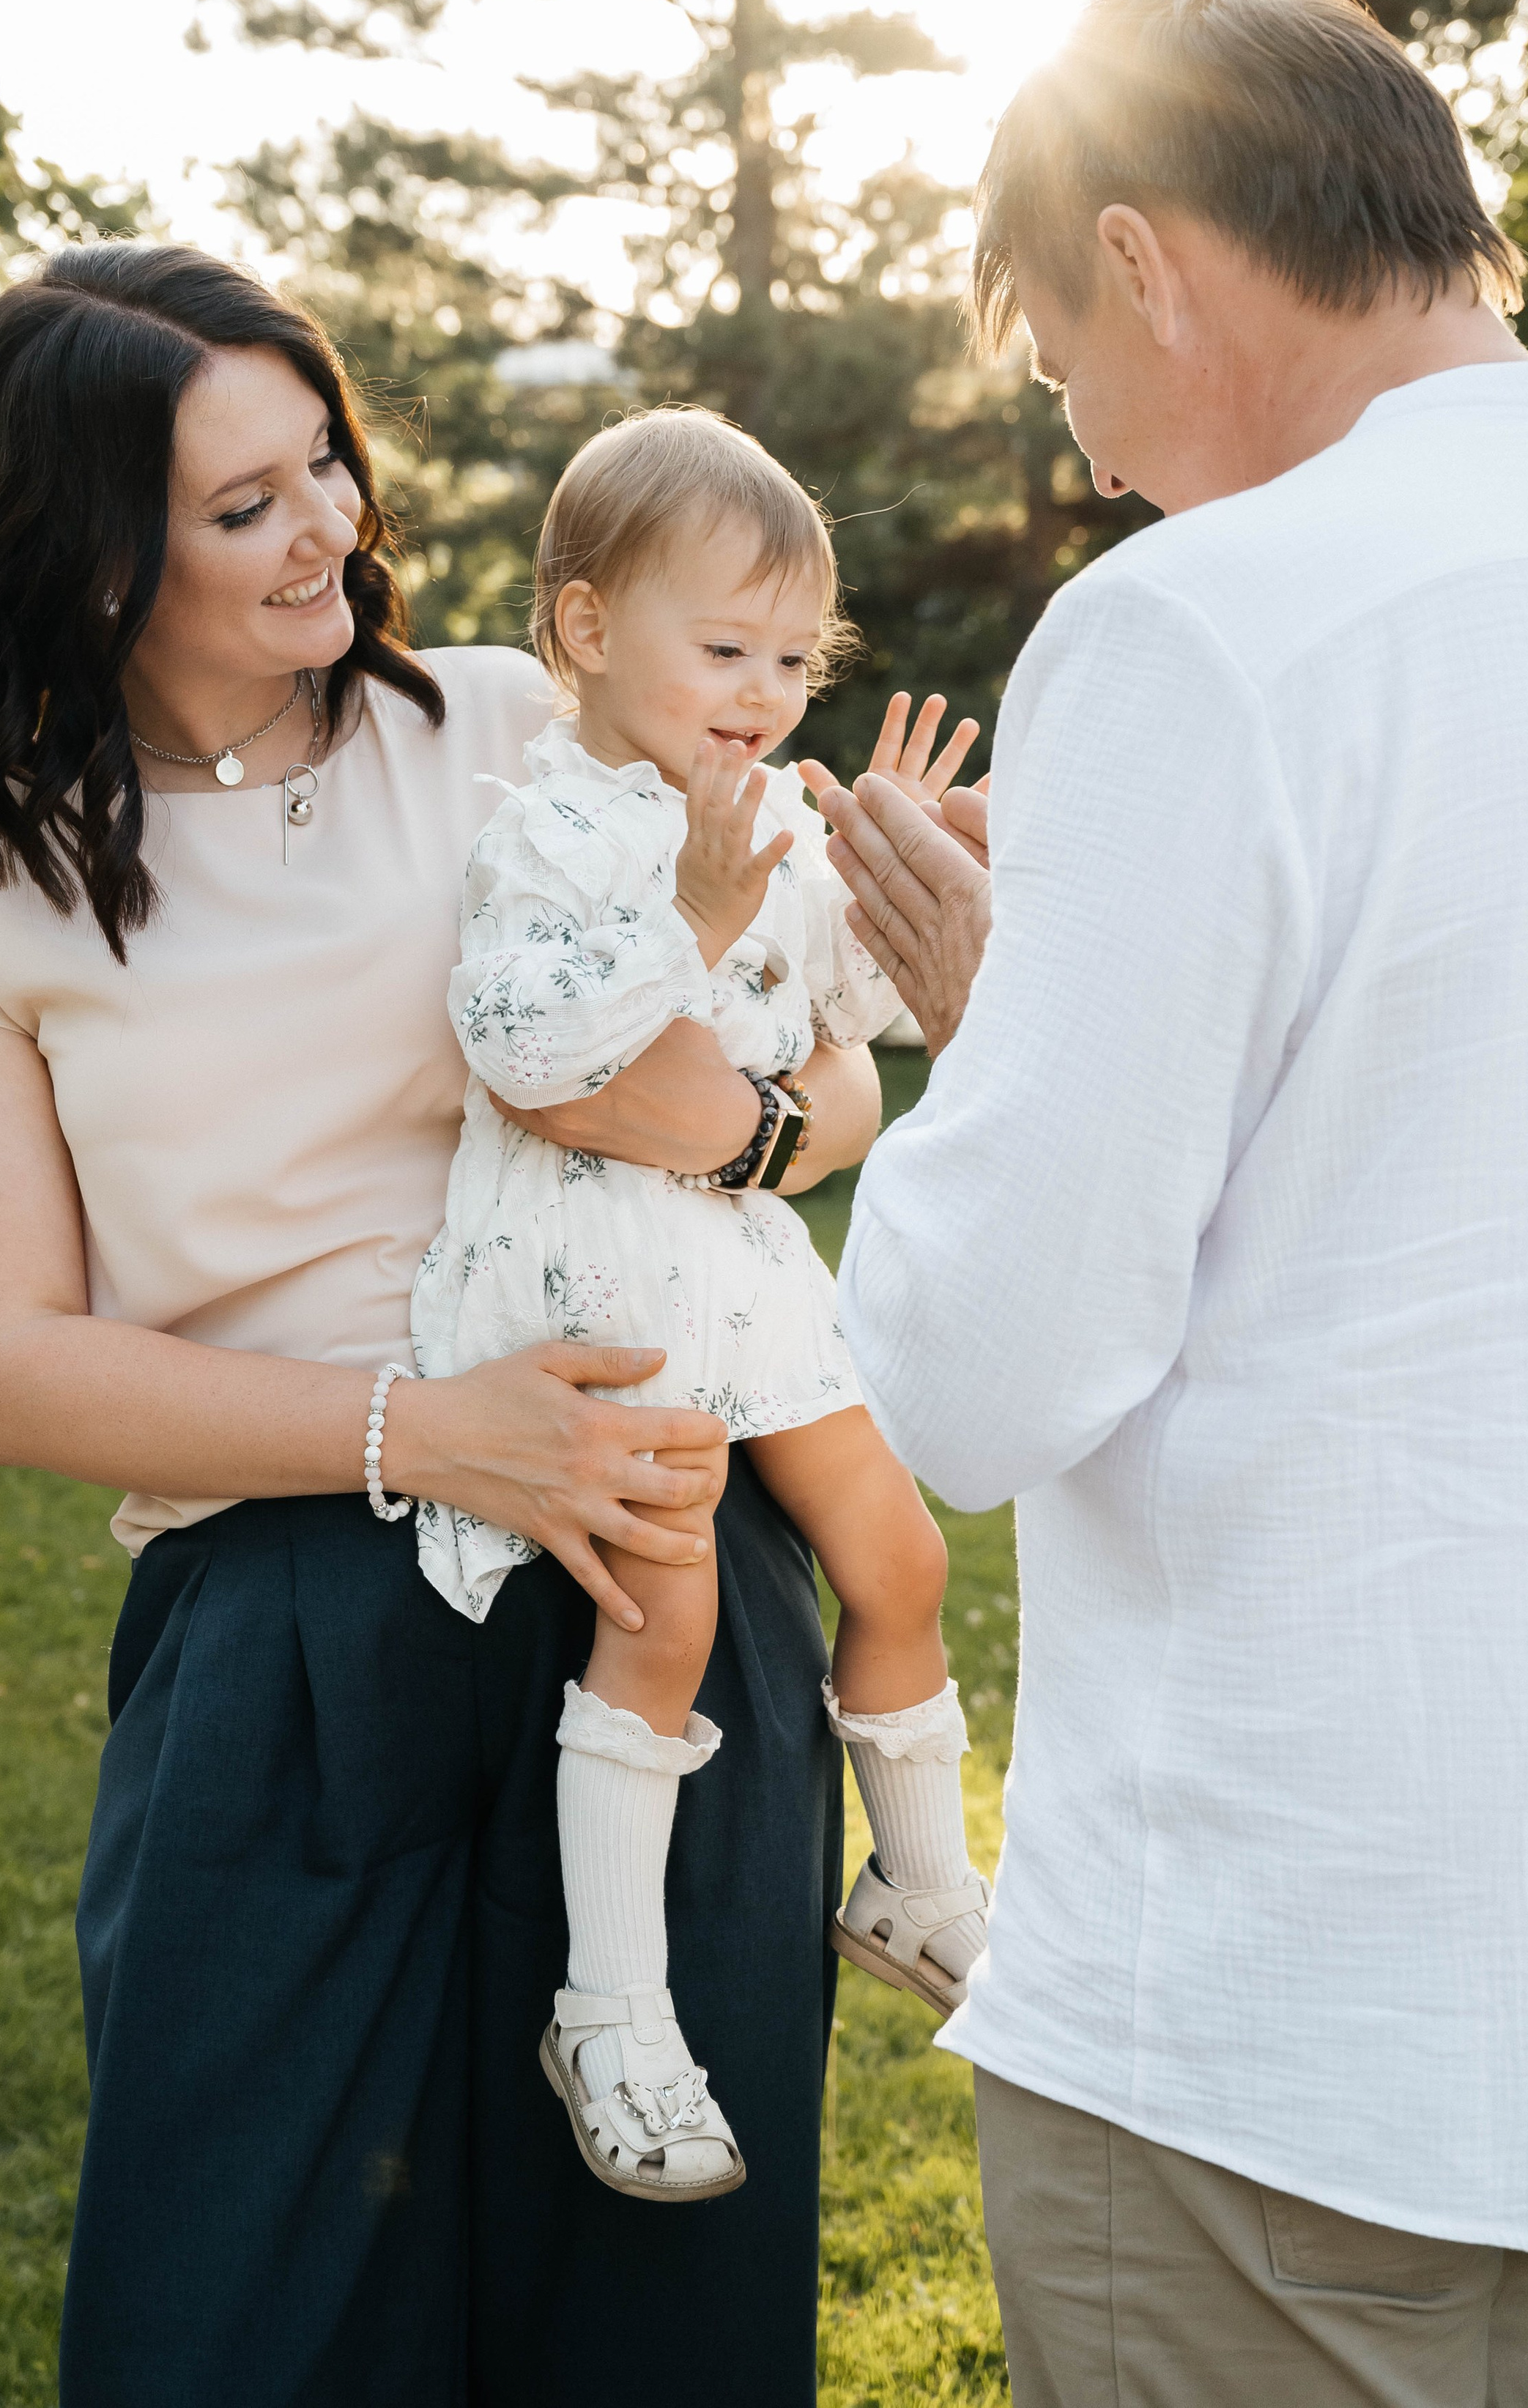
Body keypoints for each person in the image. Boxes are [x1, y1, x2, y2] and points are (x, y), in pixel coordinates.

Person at [0, 241, 883, 2407]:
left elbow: (819, 1069)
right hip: (284, 1636)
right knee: (236, 2306)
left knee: (655, 2326)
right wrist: (425, 1435)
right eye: (242, 507)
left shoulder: (526, 722)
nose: (325, 524)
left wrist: (769, 1114)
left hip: (657, 1572)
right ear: (90, 553)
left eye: (321, 462)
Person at [812, 0, 1528, 2407]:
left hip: (1275, 1961)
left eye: (1069, 365)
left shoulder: (1206, 627)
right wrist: (1042, 1015)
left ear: (1154, 260)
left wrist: (1001, 1053)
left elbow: (977, 1372)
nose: (1095, 452)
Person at [405, 407, 992, 2201]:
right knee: (654, 1628)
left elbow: (845, 1031)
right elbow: (528, 1044)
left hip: (746, 1285)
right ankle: (613, 2005)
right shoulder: (552, 829)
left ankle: (919, 1887)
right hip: (599, 1297)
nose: (762, 691)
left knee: (901, 1565)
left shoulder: (763, 819)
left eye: (794, 659)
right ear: (585, 631)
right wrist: (692, 900)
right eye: (722, 647)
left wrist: (906, 877)